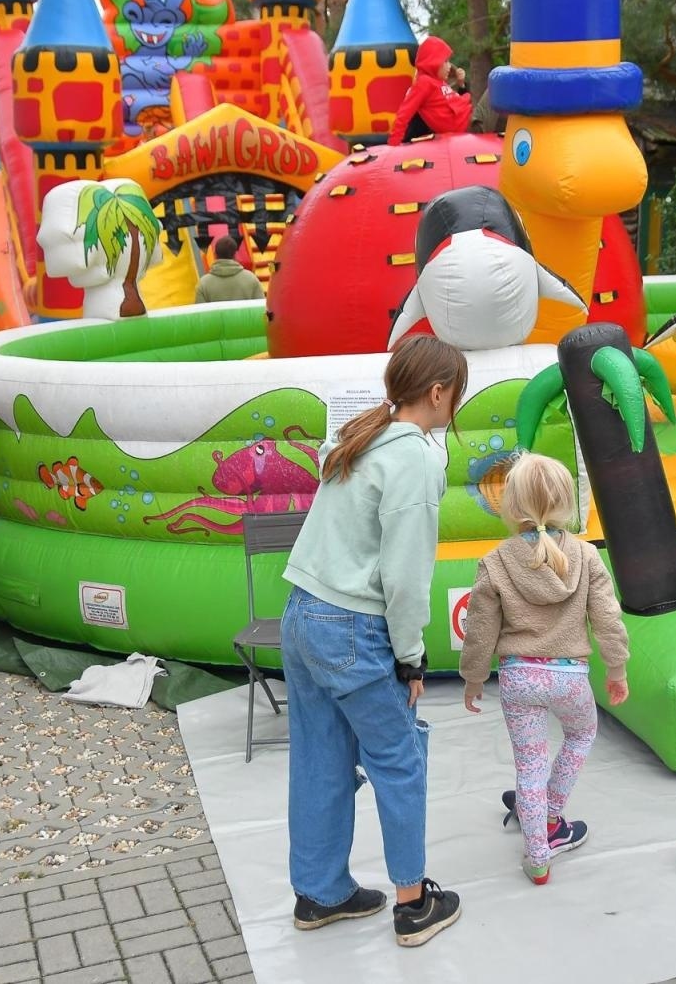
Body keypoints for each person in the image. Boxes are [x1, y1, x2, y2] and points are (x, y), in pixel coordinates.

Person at [280, 335, 467, 948]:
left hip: (302, 613)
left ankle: (321, 894)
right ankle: (414, 906)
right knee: (399, 760)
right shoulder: (414, 455)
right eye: (455, 395)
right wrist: (412, 658)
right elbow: (406, 578)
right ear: (439, 393)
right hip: (352, 628)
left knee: (319, 756)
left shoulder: (362, 436)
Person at [459, 453, 630, 885]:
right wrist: (617, 669)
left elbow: (480, 629)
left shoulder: (496, 561)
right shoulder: (587, 556)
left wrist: (473, 677)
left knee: (528, 766)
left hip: (519, 677)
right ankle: (553, 816)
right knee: (581, 734)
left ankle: (538, 857)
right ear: (567, 504)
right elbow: (607, 618)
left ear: (510, 506)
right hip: (570, 676)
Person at [388, 36, 473, 146]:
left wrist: (461, 84)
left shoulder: (440, 83)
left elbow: (457, 103)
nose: (449, 66)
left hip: (470, 115)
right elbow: (404, 114)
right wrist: (393, 144)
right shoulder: (424, 83)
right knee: (497, 80)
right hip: (469, 124)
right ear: (433, 62)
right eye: (445, 61)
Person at [194, 235, 264, 303]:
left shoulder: (203, 283)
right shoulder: (251, 279)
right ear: (235, 255)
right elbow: (262, 308)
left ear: (215, 254)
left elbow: (199, 313)